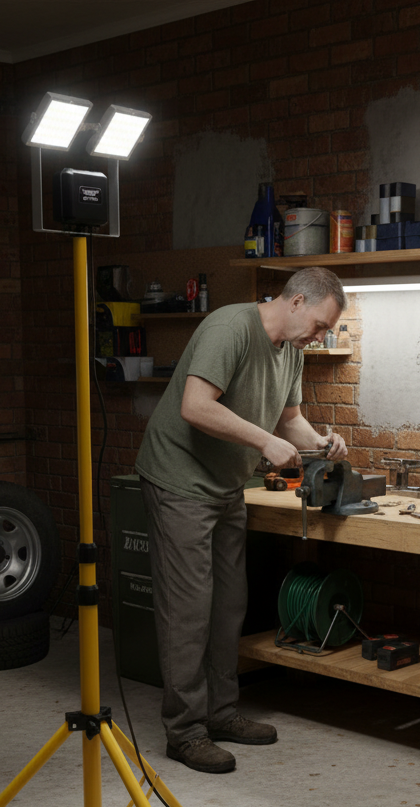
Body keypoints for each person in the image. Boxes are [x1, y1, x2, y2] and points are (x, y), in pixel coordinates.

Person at [134, 266, 348, 773]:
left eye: (326, 331)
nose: (320, 337)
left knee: (230, 603)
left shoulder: (292, 351)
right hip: (179, 480)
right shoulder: (230, 328)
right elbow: (194, 406)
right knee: (189, 609)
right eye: (318, 325)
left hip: (226, 484)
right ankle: (184, 732)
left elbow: (288, 419)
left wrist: (318, 442)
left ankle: (222, 713)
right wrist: (262, 442)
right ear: (295, 301)